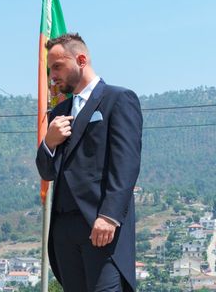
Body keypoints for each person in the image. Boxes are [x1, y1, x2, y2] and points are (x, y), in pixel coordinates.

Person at [36, 33, 142, 292]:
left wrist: (109, 216)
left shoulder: (119, 100)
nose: (53, 76)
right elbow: (46, 171)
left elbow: (126, 164)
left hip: (100, 227)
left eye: (58, 66)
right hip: (63, 233)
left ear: (81, 59)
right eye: (50, 70)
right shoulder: (59, 113)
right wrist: (49, 143)